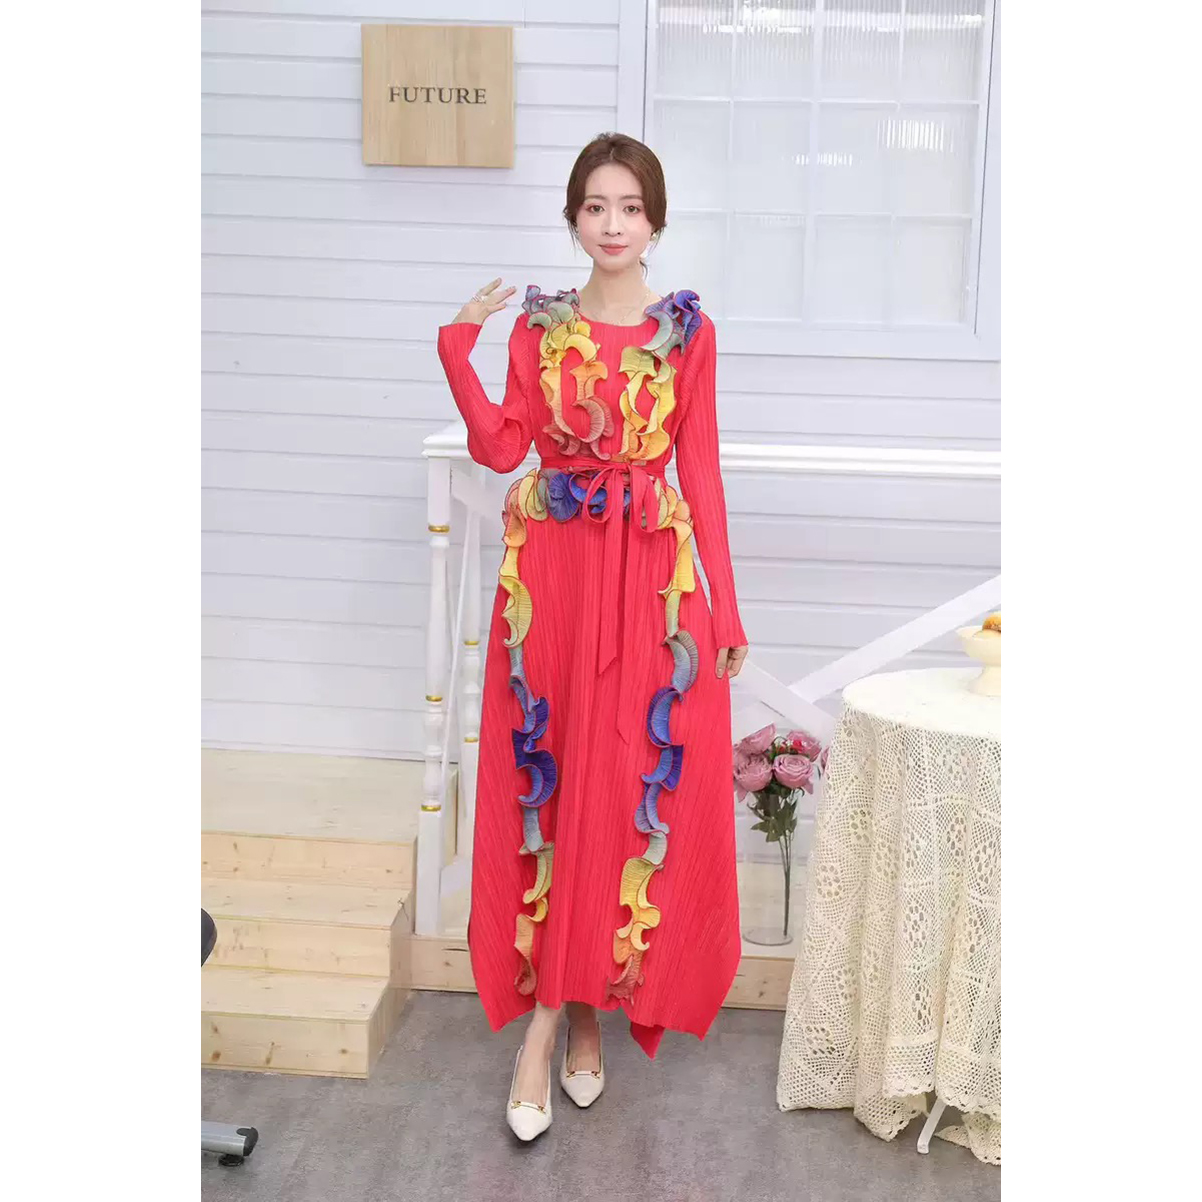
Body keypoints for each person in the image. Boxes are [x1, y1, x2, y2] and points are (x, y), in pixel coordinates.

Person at [436, 132, 749, 1140]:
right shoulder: (542, 329)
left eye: (630, 207)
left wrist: (726, 607)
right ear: (572, 218)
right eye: (594, 207)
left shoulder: (688, 335)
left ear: (655, 220)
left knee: (622, 788)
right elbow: (502, 447)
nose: (612, 224)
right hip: (557, 584)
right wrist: (457, 348)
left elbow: (699, 472)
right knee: (560, 785)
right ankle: (559, 1023)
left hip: (651, 586)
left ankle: (570, 1022)